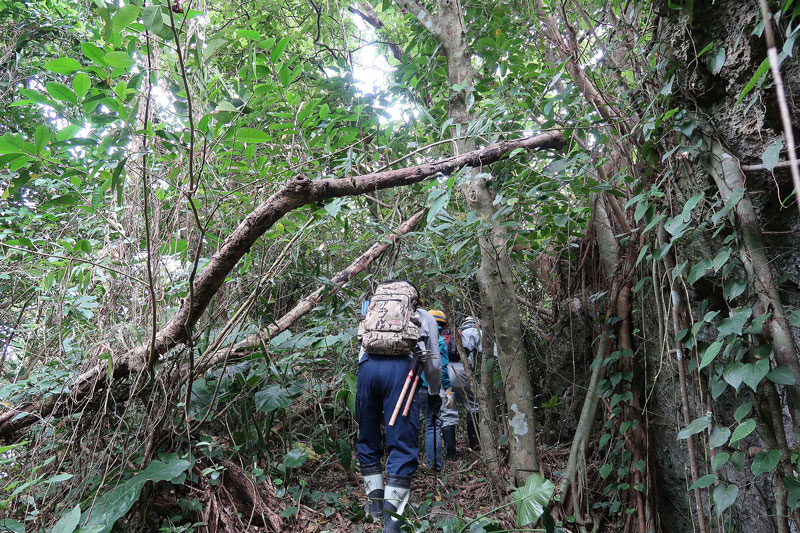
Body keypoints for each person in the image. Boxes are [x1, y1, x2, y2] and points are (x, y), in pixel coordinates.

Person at [356, 280, 442, 533]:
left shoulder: (370, 309)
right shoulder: (423, 316)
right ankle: (392, 522)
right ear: (416, 298)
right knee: (401, 442)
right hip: (402, 373)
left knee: (368, 436)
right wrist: (434, 392)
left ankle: (374, 507)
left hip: (367, 370)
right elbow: (434, 363)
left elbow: (361, 347)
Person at [416, 309, 452, 471]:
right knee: (433, 426)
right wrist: (447, 389)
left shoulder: (418, 335)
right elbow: (441, 368)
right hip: (430, 388)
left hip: (414, 388)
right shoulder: (439, 341)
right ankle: (434, 465)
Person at [440, 316, 481, 456]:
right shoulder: (473, 332)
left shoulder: (450, 333)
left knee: (448, 411)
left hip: (444, 373)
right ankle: (475, 445)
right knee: (474, 405)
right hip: (463, 373)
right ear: (475, 324)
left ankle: (451, 453)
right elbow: (492, 350)